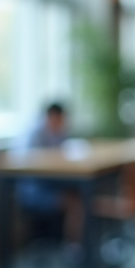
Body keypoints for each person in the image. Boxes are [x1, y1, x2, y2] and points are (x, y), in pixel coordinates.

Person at [16, 103, 83, 250]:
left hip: (52, 184)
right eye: (58, 120)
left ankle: (78, 243)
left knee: (79, 192)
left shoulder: (59, 134)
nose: (61, 124)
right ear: (50, 117)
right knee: (74, 200)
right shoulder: (33, 136)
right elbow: (32, 170)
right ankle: (73, 247)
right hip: (34, 191)